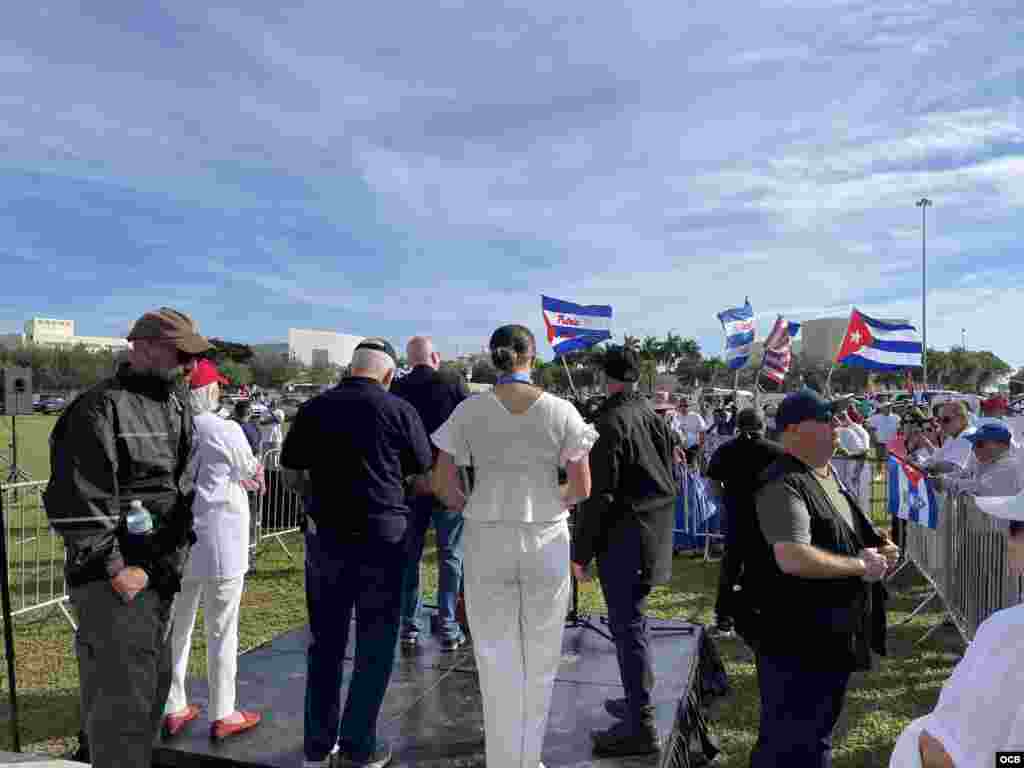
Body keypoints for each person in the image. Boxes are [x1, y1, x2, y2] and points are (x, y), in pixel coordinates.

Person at [44, 307, 208, 768]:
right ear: (144, 347)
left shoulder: (174, 403)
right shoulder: (99, 408)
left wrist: (164, 563)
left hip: (157, 578)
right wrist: (120, 572)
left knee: (149, 697)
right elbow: (78, 504)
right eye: (182, 354)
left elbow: (175, 488)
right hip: (118, 587)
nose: (191, 366)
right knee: (120, 709)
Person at [432, 324, 595, 768]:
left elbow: (442, 483)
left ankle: (503, 761)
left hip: (487, 536)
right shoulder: (561, 411)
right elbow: (581, 487)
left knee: (492, 652)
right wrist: (547, 501)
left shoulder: (469, 411)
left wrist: (474, 503)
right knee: (541, 653)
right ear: (532, 355)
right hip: (545, 537)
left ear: (494, 356)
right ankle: (528, 759)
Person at [280, 338, 433, 768]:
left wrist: (315, 497)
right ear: (388, 375)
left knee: (326, 644)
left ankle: (317, 745)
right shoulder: (400, 411)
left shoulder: (315, 408)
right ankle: (358, 745)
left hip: (327, 538)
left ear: (351, 369)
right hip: (384, 541)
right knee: (375, 645)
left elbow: (291, 469)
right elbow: (421, 470)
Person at [746, 388, 899, 767]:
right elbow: (793, 556)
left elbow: (852, 532)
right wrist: (861, 566)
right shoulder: (782, 483)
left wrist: (882, 546)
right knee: (799, 743)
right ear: (794, 430)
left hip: (830, 632)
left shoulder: (826, 475)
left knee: (804, 736)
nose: (836, 426)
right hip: (796, 637)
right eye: (826, 419)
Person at [571, 346, 680, 758]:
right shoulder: (650, 416)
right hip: (649, 533)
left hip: (628, 539)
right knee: (633, 626)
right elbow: (671, 476)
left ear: (606, 378)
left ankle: (642, 726)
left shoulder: (611, 421)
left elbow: (598, 496)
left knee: (629, 629)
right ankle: (638, 703)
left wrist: (581, 553)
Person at [163, 359, 264, 741]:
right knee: (222, 629)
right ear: (208, 390)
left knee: (179, 628)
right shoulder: (224, 429)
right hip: (221, 539)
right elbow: (249, 470)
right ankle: (224, 710)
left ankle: (173, 704)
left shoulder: (171, 426)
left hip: (179, 540)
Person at [889, 490, 1024, 768]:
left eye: (1013, 527)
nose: (1007, 541)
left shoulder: (1008, 631)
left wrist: (912, 748)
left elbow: (947, 751)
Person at [390, 335, 470, 651]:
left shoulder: (397, 388)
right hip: (448, 481)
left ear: (410, 360)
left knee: (410, 557)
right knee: (451, 554)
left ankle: (409, 625)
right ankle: (448, 625)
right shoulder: (453, 383)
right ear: (435, 357)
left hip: (410, 484)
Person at [704, 408, 785, 639]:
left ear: (738, 425)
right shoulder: (776, 451)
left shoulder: (726, 449)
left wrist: (725, 503)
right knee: (767, 568)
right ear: (762, 426)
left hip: (736, 517)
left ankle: (724, 622)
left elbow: (713, 484)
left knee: (731, 569)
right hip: (768, 519)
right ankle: (767, 618)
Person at [931, 421, 1023, 497]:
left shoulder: (1010, 467)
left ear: (1001, 445)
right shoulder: (986, 461)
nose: (974, 448)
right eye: (973, 444)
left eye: (979, 444)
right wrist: (938, 478)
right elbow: (965, 473)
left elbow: (979, 487)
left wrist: (945, 482)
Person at [673, 398, 707, 467]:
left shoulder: (696, 416)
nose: (683, 408)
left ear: (689, 406)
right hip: (681, 449)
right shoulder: (676, 417)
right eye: (681, 406)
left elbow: (702, 433)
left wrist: (699, 450)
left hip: (694, 448)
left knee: (693, 469)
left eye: (685, 406)